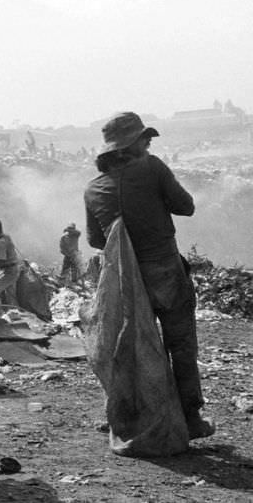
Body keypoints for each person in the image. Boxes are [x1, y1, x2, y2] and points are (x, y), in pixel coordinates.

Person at [84, 111, 214, 439]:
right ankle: (191, 417)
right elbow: (186, 206)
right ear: (133, 144)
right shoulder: (152, 167)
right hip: (164, 271)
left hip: (122, 280)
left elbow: (96, 241)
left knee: (127, 347)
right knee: (180, 343)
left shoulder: (93, 188)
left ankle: (124, 413)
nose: (150, 142)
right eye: (146, 138)